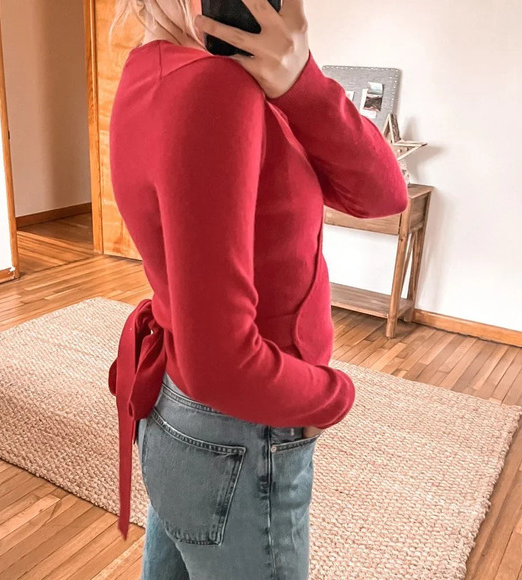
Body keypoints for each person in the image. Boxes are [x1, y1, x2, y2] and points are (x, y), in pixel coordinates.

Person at [107, 0, 408, 578]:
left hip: (186, 421)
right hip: (241, 433)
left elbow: (383, 195)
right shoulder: (215, 88)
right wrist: (332, 395)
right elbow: (221, 364)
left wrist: (301, 84)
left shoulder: (155, 68)